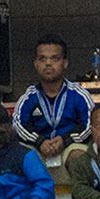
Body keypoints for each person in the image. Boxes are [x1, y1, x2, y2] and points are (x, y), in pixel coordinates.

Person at [12, 34, 94, 176]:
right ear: (36, 64)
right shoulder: (28, 97)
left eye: (54, 58)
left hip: (69, 149)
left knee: (79, 157)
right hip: (38, 151)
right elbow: (18, 125)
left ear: (65, 63)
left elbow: (90, 125)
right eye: (42, 59)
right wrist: (40, 141)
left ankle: (82, 197)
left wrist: (65, 140)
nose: (48, 63)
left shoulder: (79, 95)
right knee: (18, 156)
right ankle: (27, 198)